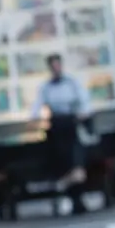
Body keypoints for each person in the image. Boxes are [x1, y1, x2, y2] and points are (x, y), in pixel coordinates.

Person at [30, 53, 92, 213]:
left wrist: (84, 112)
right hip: (56, 125)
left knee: (77, 163)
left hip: (71, 123)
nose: (56, 68)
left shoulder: (72, 82)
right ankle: (68, 192)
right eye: (53, 66)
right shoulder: (46, 86)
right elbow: (37, 104)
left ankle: (73, 192)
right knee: (61, 162)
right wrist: (34, 118)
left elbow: (83, 99)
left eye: (58, 65)